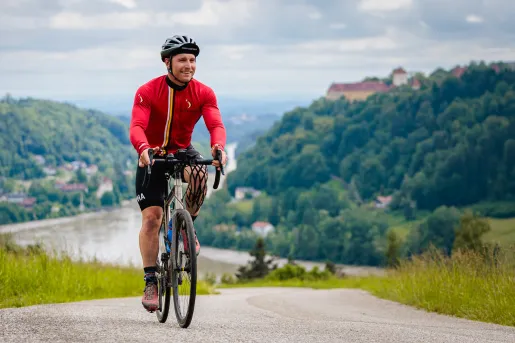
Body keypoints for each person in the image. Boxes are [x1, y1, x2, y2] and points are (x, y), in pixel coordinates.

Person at [129, 35, 227, 312]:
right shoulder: (147, 91)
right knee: (152, 219)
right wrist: (143, 148)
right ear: (167, 62)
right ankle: (151, 281)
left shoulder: (204, 93)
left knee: (198, 176)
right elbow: (137, 125)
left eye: (192, 60)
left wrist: (218, 148)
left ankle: (184, 228)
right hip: (152, 154)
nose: (189, 66)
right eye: (182, 60)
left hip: (183, 149)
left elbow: (215, 124)